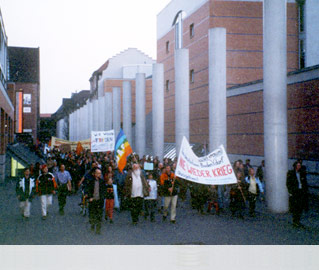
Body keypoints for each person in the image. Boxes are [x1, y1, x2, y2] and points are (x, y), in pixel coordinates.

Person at [286, 161, 309, 228]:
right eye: (298, 165)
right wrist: (290, 192)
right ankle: (295, 221)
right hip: (295, 192)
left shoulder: (302, 173)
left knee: (300, 207)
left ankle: (298, 220)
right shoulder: (291, 173)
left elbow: (304, 182)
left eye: (300, 165)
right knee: (295, 207)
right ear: (295, 166)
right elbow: (288, 183)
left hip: (301, 192)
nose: (299, 166)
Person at [85, 168, 107, 234]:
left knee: (99, 215)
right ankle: (92, 225)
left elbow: (104, 191)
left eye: (100, 173)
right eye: (98, 173)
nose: (99, 175)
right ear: (94, 174)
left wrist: (102, 197)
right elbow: (88, 190)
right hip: (92, 200)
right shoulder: (91, 181)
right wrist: (89, 197)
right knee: (92, 214)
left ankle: (98, 229)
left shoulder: (102, 181)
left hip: (99, 201)